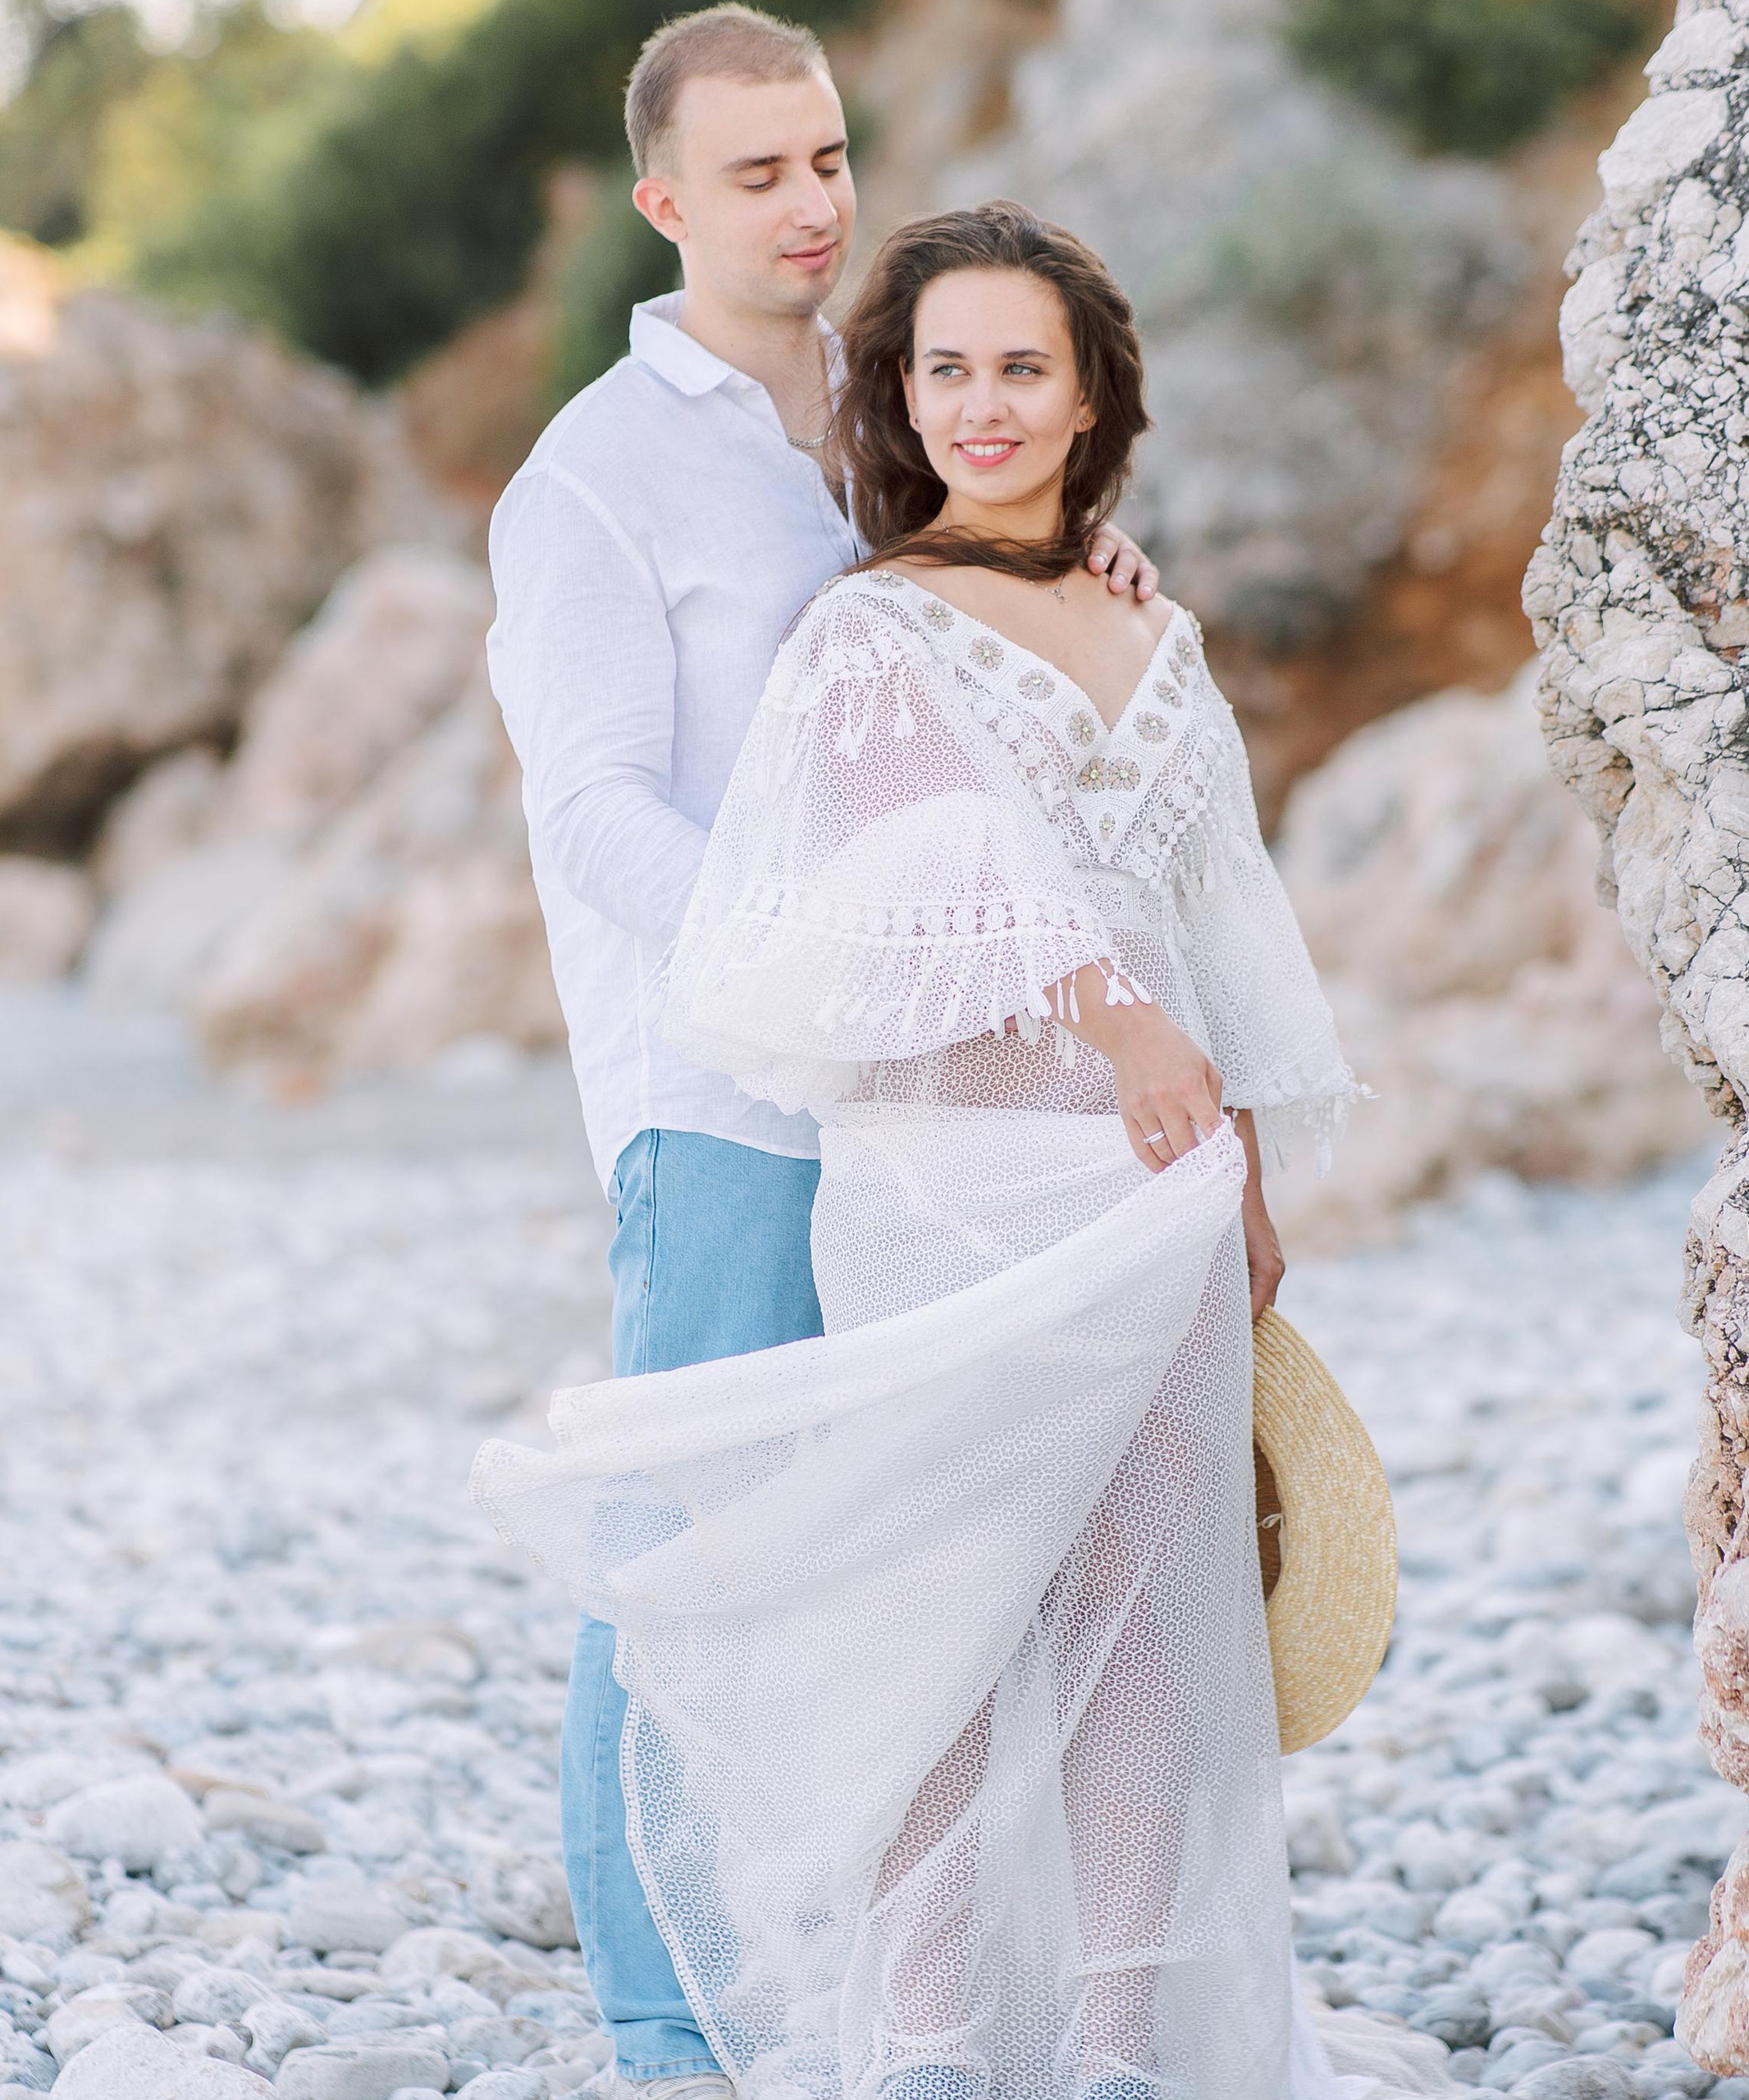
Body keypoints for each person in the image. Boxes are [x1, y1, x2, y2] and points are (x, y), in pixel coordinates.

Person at [474, 199, 1364, 2099]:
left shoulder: (1156, 629)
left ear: (1087, 393)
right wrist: (1111, 1015)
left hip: (1156, 1186)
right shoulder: (863, 632)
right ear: (892, 392)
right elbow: (930, 877)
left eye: (1019, 366)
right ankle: (932, 2041)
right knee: (944, 1622)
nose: (980, 403)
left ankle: (1121, 2035)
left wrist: (1252, 1177)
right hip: (955, 1180)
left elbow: (1215, 917)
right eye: (942, 368)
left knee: (1149, 1619)